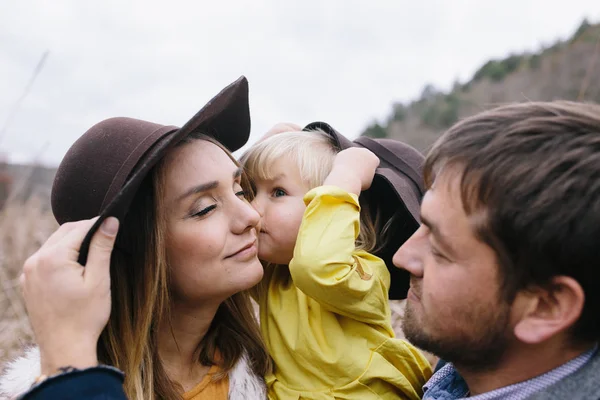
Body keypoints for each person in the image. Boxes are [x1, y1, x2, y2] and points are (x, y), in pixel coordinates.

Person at [0, 76, 271, 400]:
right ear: (133, 250)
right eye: (205, 208)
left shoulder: (274, 373)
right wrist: (70, 369)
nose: (251, 217)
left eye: (240, 191)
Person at [393, 101, 600, 399]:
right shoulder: (466, 364)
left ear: (545, 307)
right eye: (423, 225)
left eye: (439, 250)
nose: (402, 257)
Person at [240, 125, 432, 399]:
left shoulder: (361, 271)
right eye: (250, 191)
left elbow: (317, 265)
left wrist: (347, 176)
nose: (253, 209)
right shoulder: (273, 272)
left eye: (278, 192)